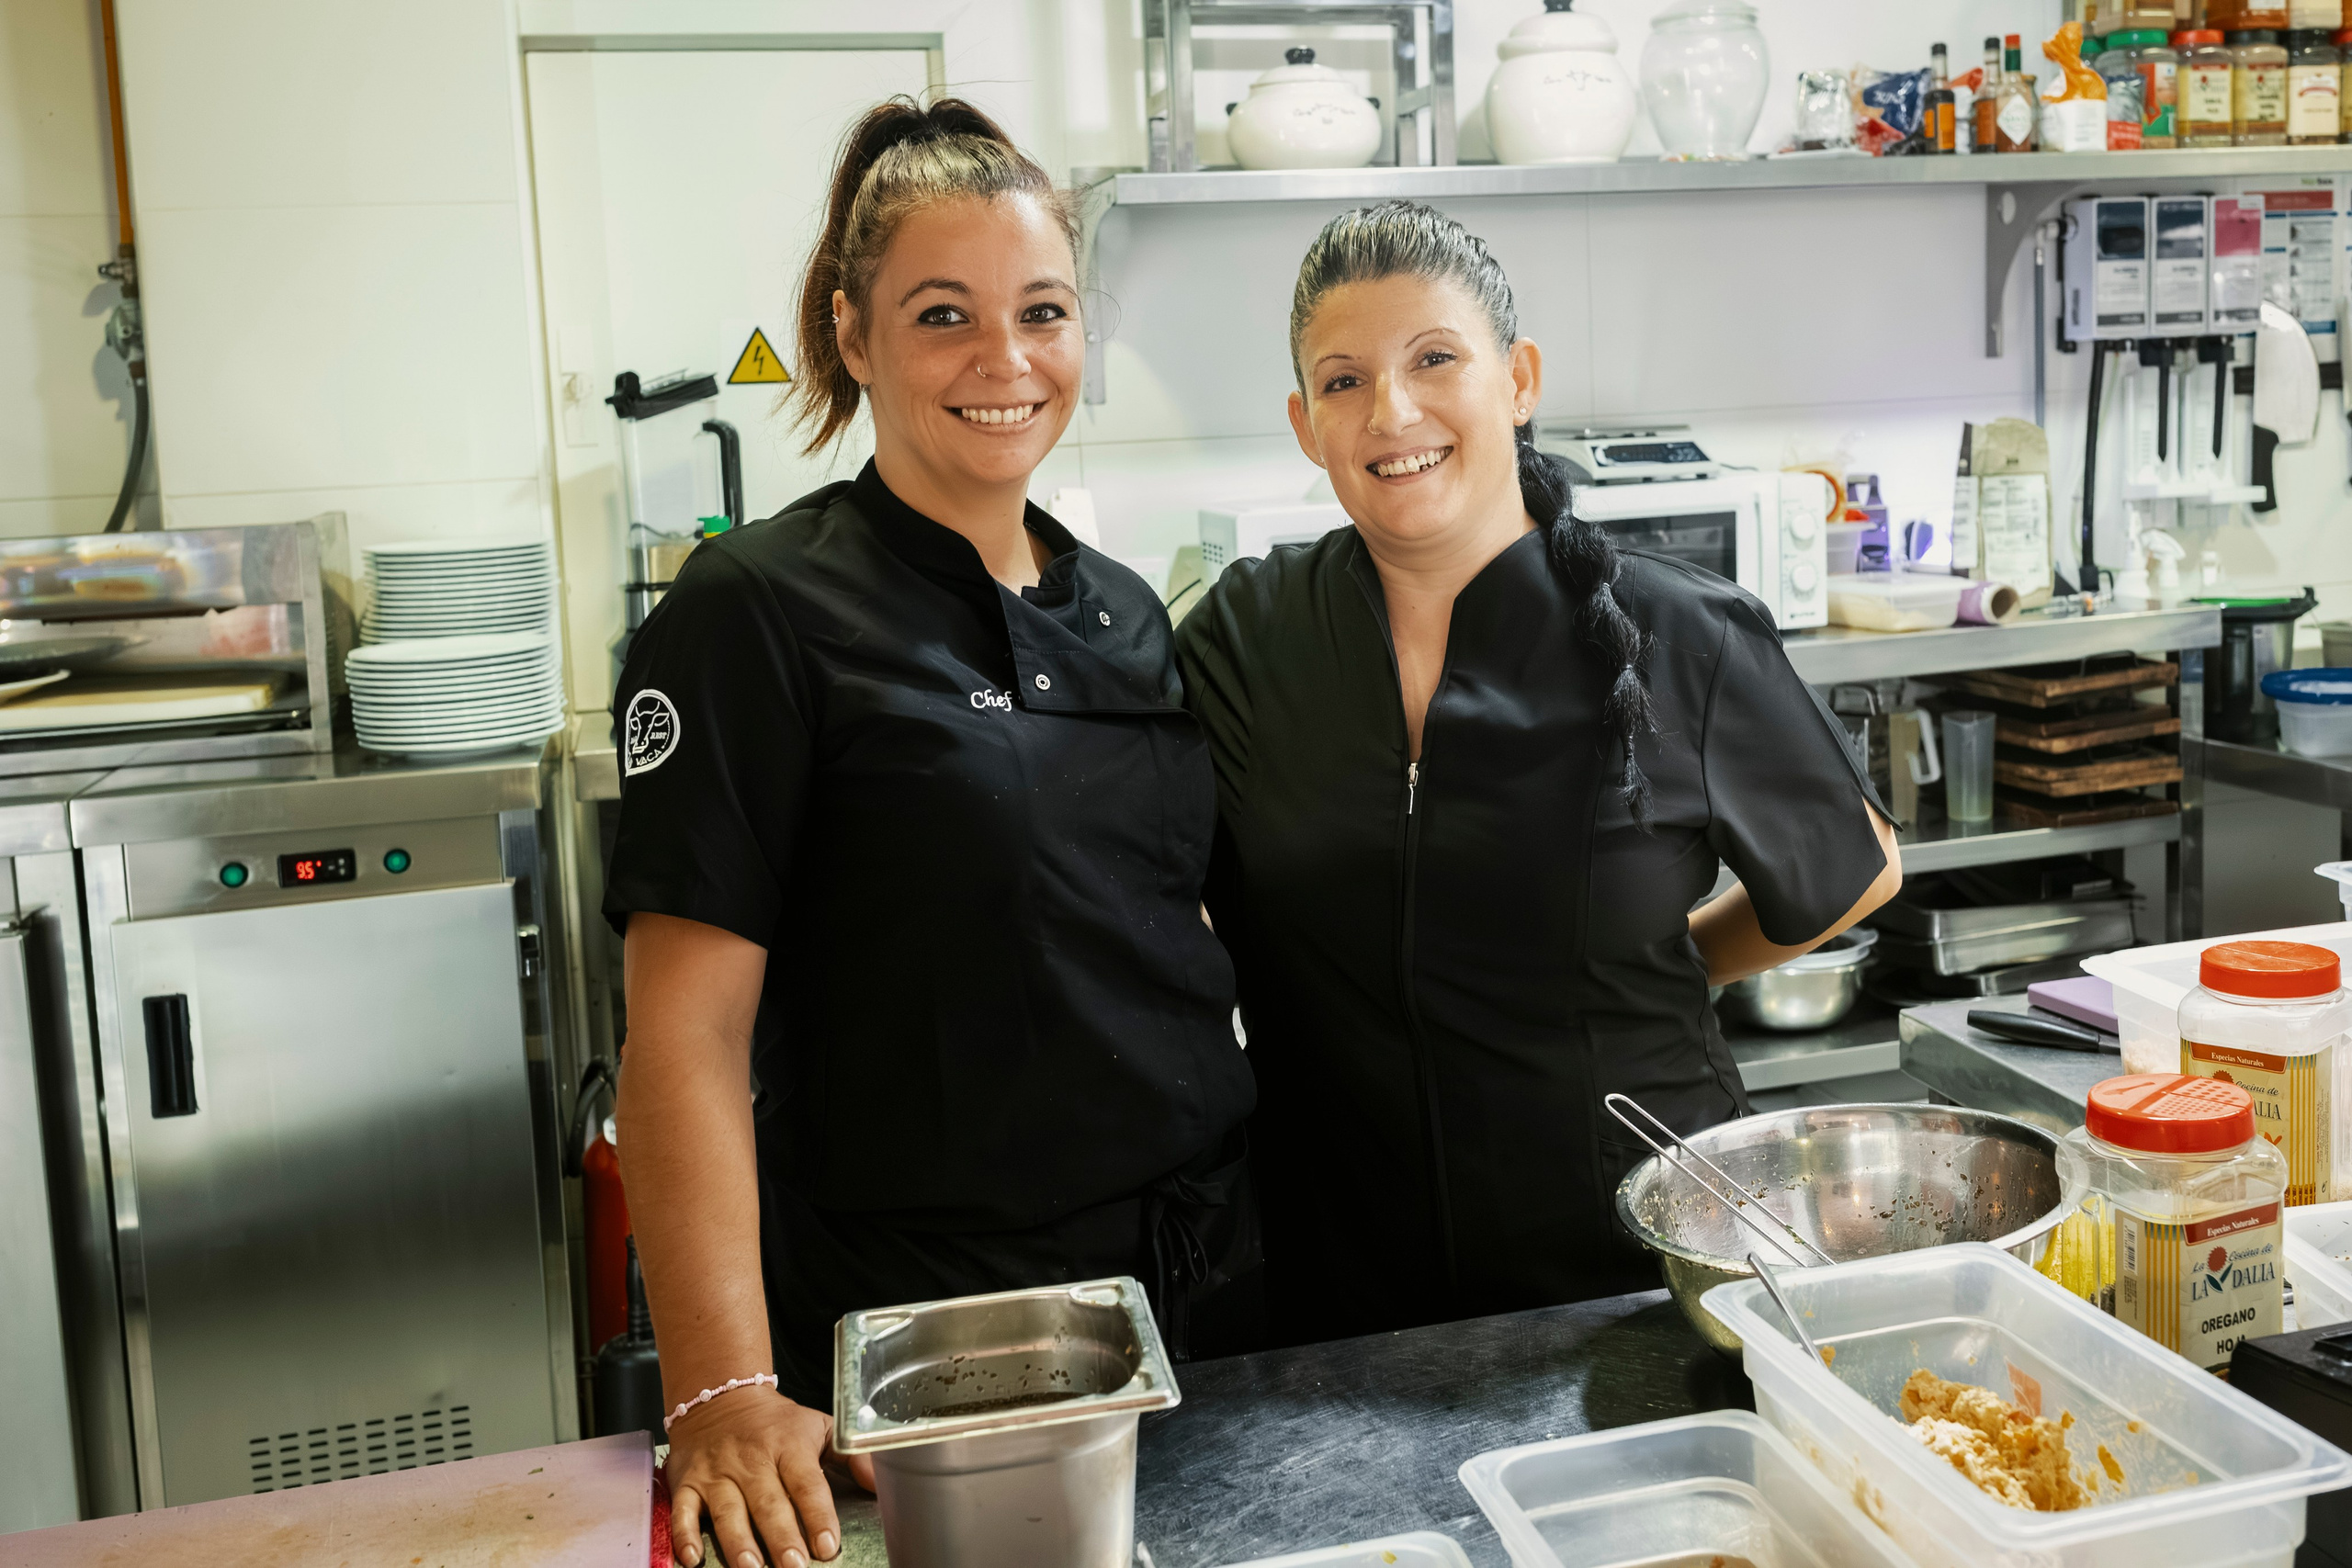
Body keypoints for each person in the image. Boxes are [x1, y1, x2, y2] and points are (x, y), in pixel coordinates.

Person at [605, 97, 1255, 1568]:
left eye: (1043, 312)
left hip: (1201, 1296)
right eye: (944, 314)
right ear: (853, 334)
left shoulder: (1125, 611)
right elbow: (682, 1037)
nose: (1005, 360)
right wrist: (720, 1386)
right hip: (939, 1332)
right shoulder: (758, 613)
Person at [1174, 200, 1901, 1346]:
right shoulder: (1246, 636)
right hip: (1339, 1294)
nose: (1391, 411)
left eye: (1433, 360)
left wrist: (1672, 965)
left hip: (1626, 1274)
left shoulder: (1676, 631)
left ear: (1516, 379)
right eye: (1343, 380)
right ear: (1305, 423)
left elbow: (1853, 874)